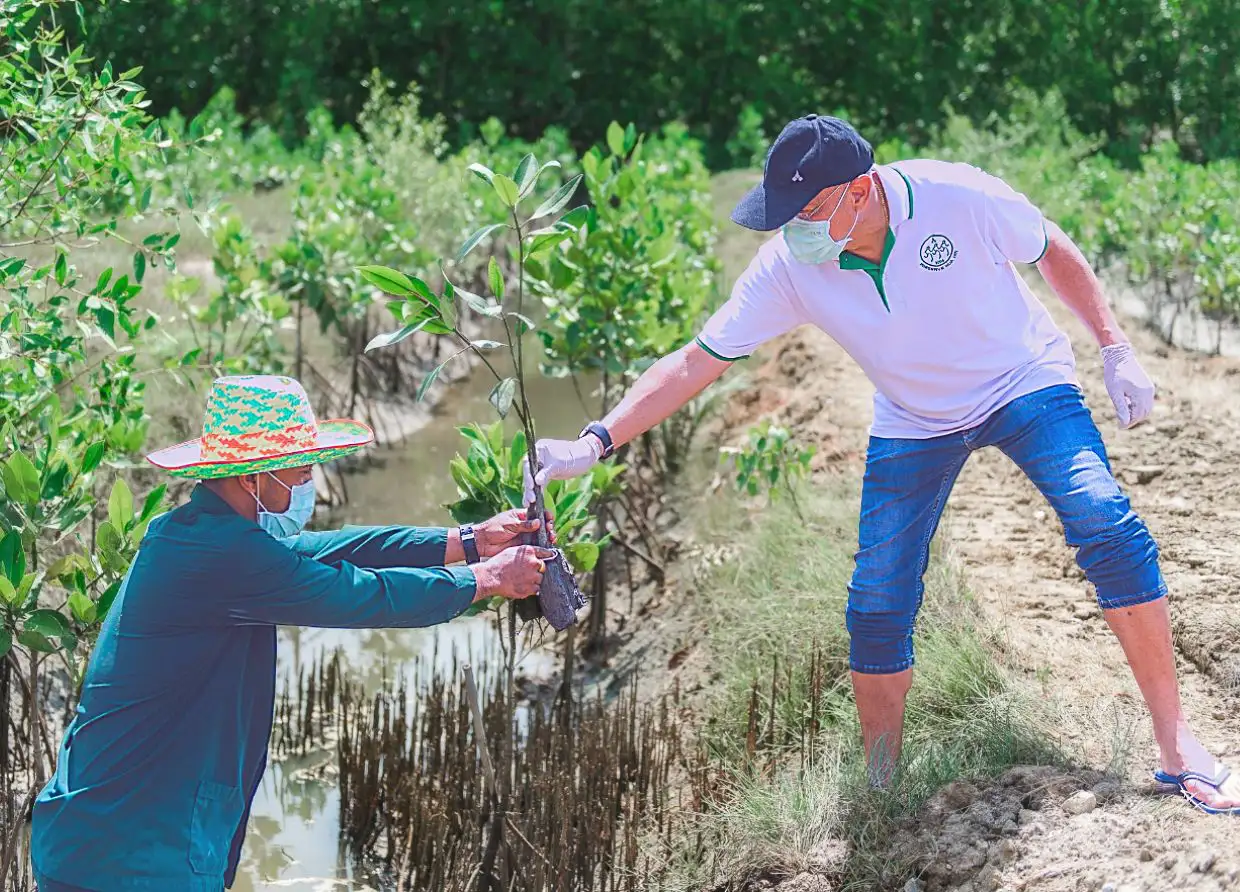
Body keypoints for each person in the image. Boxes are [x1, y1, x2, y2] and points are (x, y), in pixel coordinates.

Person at [524, 115, 1239, 815]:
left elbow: (1049, 246)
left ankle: (1176, 744)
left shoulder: (957, 196)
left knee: (1105, 522)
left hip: (1023, 382)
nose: (792, 230)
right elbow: (695, 361)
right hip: (915, 419)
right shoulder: (790, 267)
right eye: (783, 215)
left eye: (806, 211)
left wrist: (1114, 346)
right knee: (876, 602)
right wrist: (594, 442)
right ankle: (881, 787)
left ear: (860, 189)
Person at [31, 375, 556, 891]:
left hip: (108, 839)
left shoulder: (198, 534)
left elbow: (338, 548)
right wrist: (485, 579)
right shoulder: (223, 557)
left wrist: (470, 540)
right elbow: (355, 594)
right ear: (252, 478)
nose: (310, 485)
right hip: (128, 854)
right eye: (301, 471)